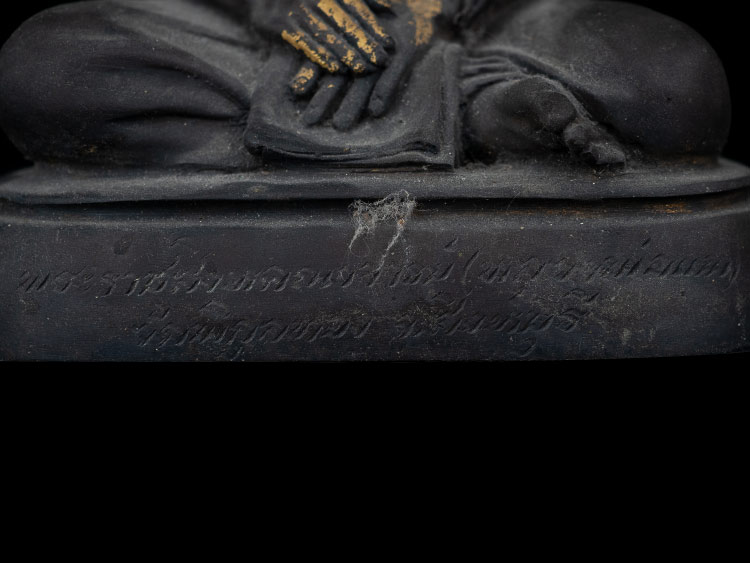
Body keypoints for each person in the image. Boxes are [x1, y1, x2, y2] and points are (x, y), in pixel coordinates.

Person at [0, 0, 731, 171]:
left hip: (485, 22)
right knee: (44, 65)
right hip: (251, 37)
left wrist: (421, 14)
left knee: (678, 83)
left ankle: (306, 125)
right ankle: (465, 110)